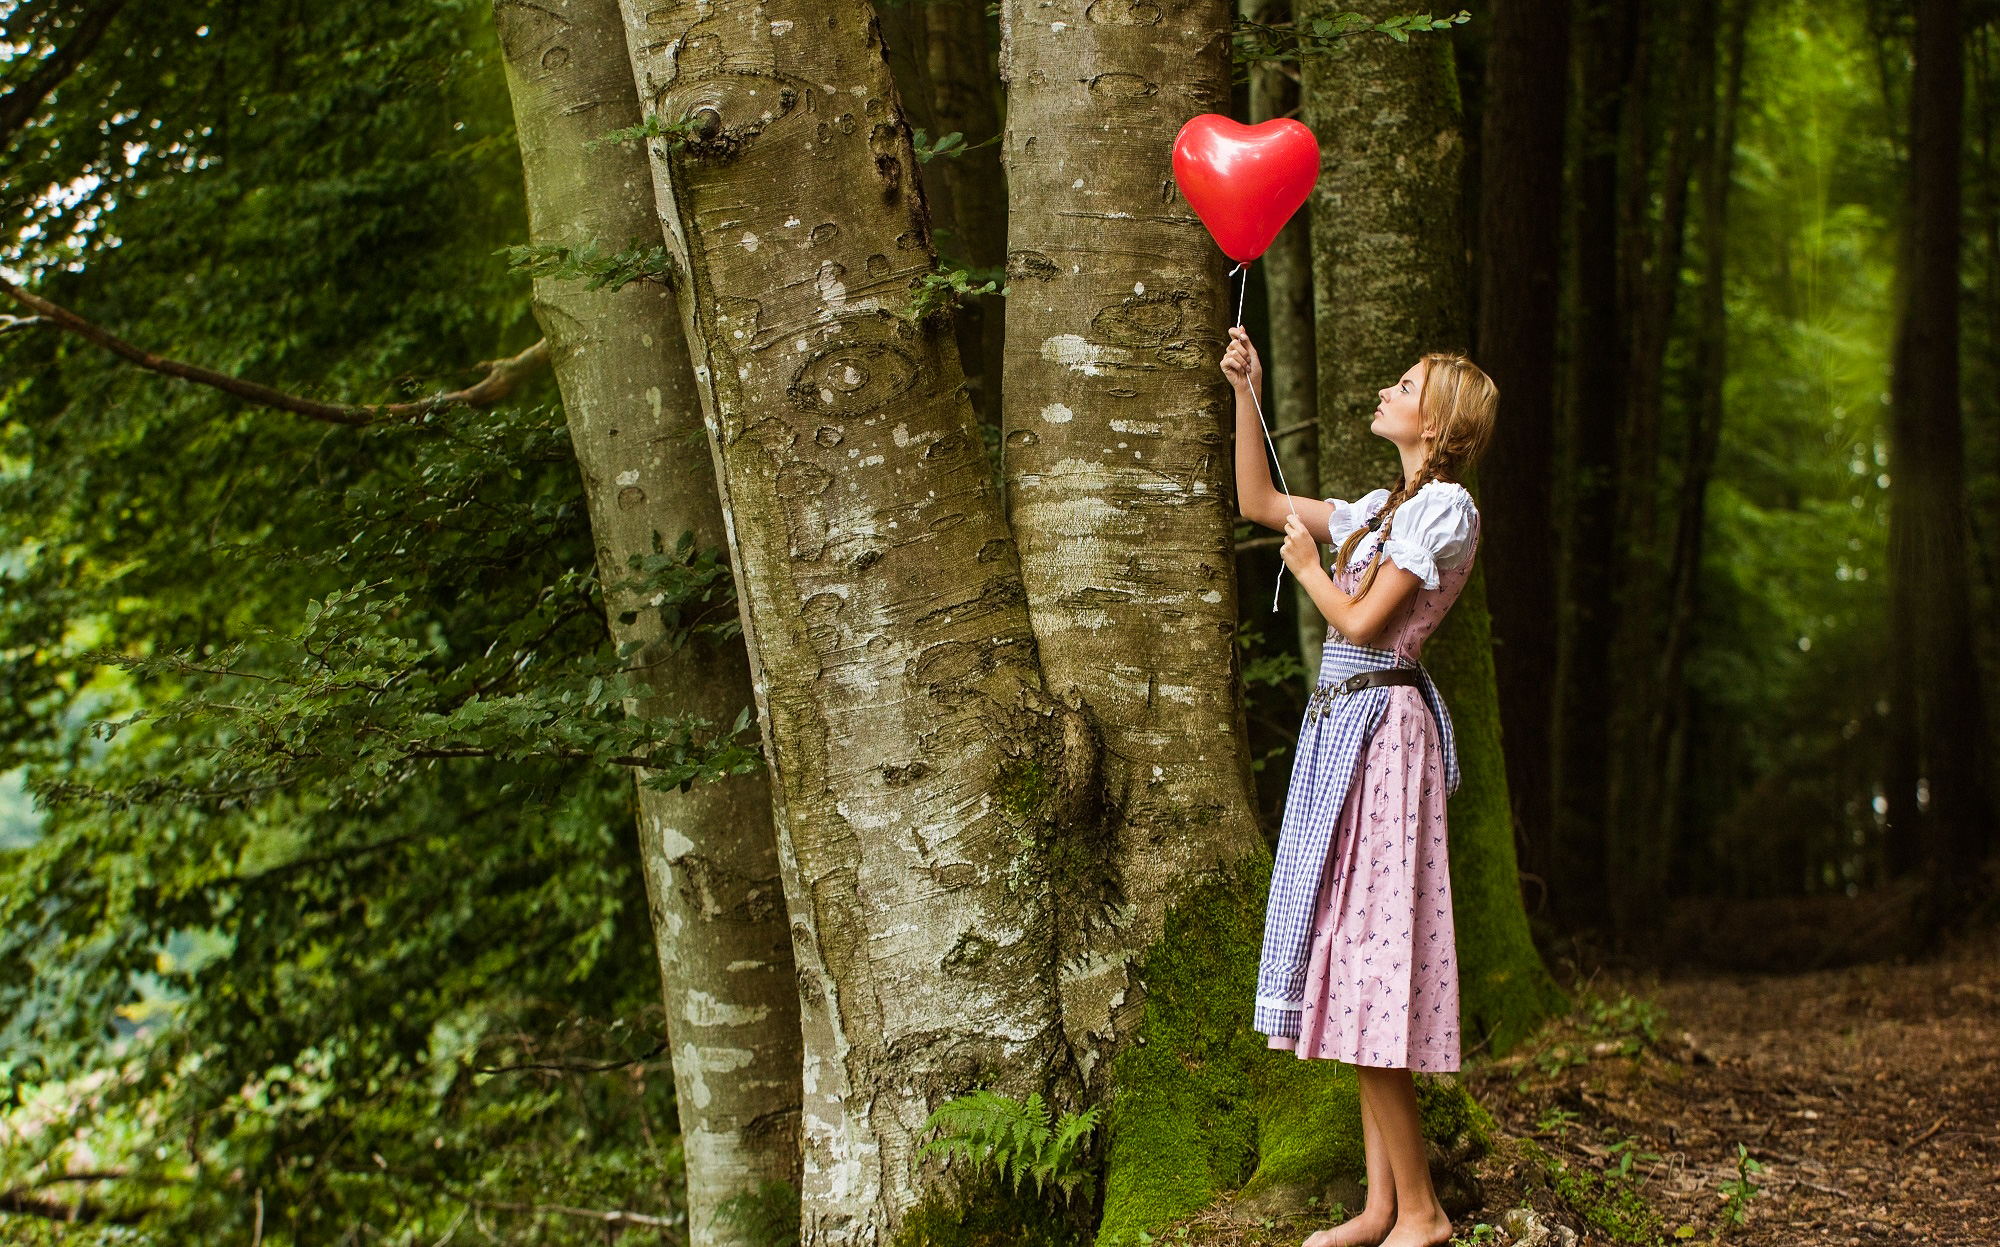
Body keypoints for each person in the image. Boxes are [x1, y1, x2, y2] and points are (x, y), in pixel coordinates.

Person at [1221, 324, 1498, 1247]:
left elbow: (1368, 628)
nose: (1388, 388)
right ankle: (1382, 1206)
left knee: (1371, 956)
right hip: (1345, 735)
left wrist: (1306, 571)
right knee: (1346, 955)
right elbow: (1257, 498)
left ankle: (1422, 1213)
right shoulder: (1385, 505)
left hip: (1385, 734)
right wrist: (1246, 392)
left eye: (1407, 383)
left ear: (1440, 418)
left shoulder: (1444, 510)